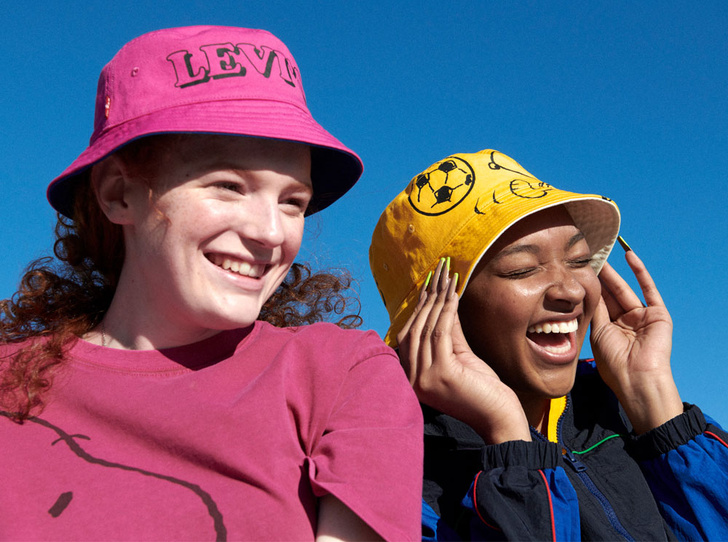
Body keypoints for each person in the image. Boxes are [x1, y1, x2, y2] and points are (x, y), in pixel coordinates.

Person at [0, 26, 423, 541]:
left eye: (293, 201)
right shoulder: (9, 384)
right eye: (228, 186)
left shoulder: (341, 376)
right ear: (118, 194)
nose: (270, 232)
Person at [369, 149, 728, 540]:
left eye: (579, 260)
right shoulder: (402, 469)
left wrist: (656, 404)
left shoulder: (615, 409)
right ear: (435, 313)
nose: (572, 290)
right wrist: (510, 446)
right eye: (522, 269)